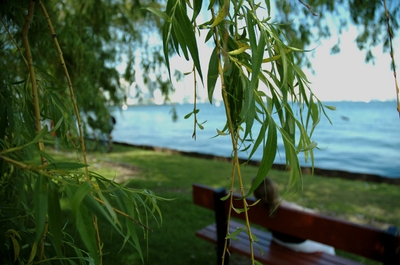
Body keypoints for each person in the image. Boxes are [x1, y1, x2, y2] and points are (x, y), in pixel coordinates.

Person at [253, 177, 335, 255]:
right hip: (300, 244)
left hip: (277, 239)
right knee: (328, 247)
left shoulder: (260, 207)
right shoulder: (289, 208)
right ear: (275, 188)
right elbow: (313, 217)